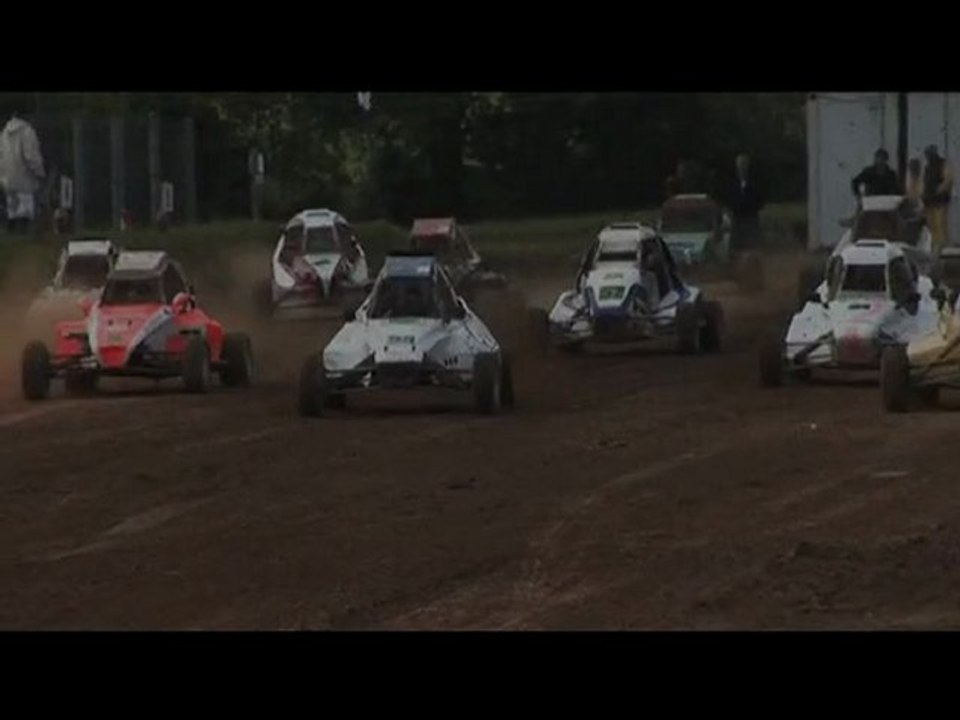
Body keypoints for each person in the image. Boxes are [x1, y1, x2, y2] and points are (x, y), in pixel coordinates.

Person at [0, 111, 45, 234]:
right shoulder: (27, 131)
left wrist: (2, 178)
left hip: (8, 180)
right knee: (25, 214)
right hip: (25, 180)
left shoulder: (4, 133)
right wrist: (40, 172)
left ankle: (13, 234)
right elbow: (31, 156)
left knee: (13, 211)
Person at [723, 153, 766, 251]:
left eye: (744, 165)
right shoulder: (731, 183)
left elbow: (760, 199)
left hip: (751, 219)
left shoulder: (755, 183)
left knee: (754, 247)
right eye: (739, 165)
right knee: (735, 248)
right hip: (736, 220)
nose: (741, 168)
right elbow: (728, 199)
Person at [923, 144, 953, 252]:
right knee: (931, 226)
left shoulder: (943, 164)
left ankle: (943, 247)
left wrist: (938, 191)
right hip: (929, 201)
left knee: (940, 225)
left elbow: (948, 181)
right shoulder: (927, 167)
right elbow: (925, 183)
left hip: (940, 201)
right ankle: (934, 246)